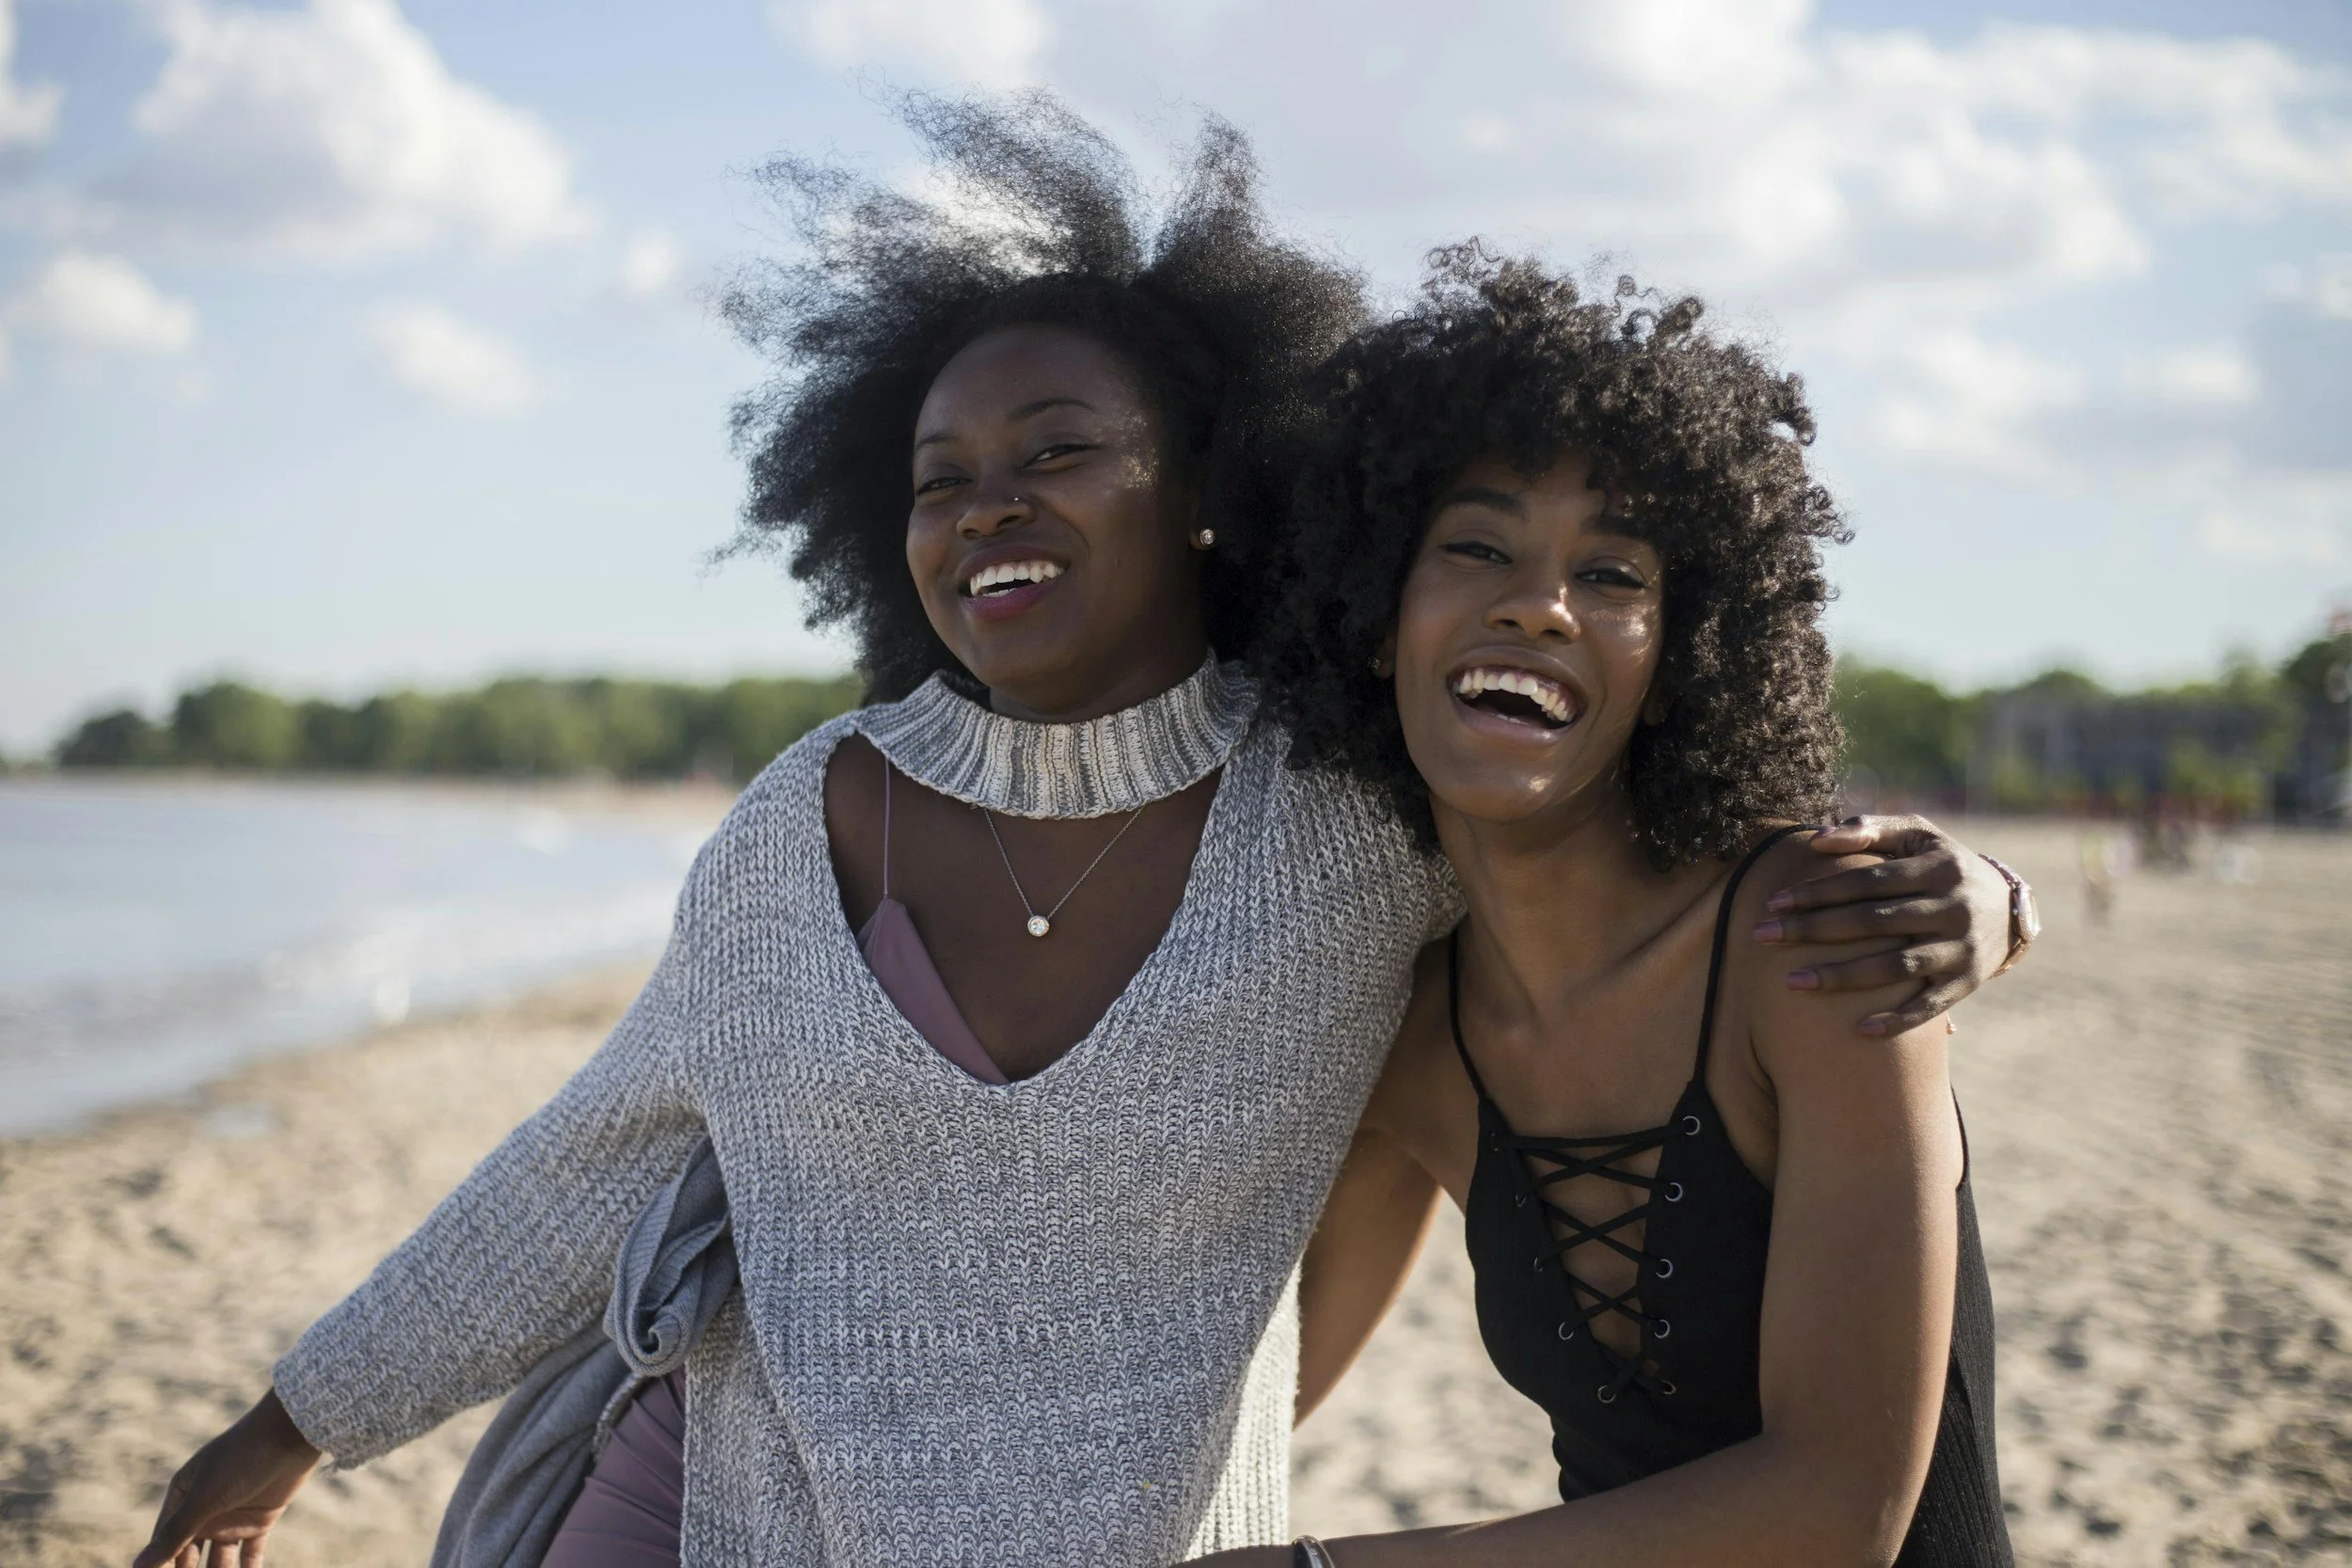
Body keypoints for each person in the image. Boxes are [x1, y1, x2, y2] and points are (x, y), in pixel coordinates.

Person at [135, 103, 2022, 1568]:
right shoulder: (797, 825)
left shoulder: (1355, 828)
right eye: (938, 477)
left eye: (1056, 450)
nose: (987, 507)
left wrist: (1988, 896)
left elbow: (1622, 858)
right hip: (727, 1513)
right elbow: (582, 1165)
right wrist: (285, 1423)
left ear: (1208, 496)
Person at [1223, 250, 2015, 1566]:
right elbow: (1246, 1398)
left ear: (1683, 650)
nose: (1538, 602)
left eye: (1613, 576)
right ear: (1374, 616)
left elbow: (1838, 1509)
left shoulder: (1813, 939)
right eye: (1477, 545)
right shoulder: (1412, 1039)